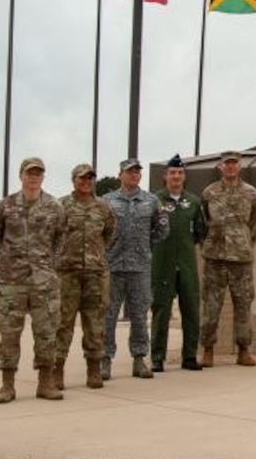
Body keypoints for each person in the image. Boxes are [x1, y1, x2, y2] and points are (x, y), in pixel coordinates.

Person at [0, 156, 66, 403]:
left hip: (44, 282)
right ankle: (7, 385)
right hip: (12, 281)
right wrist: (6, 261)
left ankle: (45, 383)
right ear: (21, 176)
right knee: (9, 333)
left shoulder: (54, 207)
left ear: (43, 177)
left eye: (38, 173)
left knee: (46, 332)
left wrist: (48, 264)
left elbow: (60, 238)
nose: (33, 178)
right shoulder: (5, 206)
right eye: (29, 173)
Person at [101, 158, 167, 381]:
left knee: (139, 316)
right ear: (120, 175)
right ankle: (104, 360)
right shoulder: (107, 201)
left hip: (140, 267)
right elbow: (98, 231)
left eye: (137, 172)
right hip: (112, 267)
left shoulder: (151, 201)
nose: (134, 175)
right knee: (107, 316)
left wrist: (144, 245)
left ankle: (139, 360)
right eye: (129, 172)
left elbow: (161, 230)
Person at [55, 162, 116, 391]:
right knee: (63, 323)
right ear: (74, 180)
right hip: (67, 273)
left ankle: (93, 369)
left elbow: (109, 234)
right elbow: (53, 235)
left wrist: (95, 255)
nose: (86, 182)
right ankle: (57, 369)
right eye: (82, 178)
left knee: (95, 324)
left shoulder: (103, 207)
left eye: (90, 178)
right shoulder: (61, 206)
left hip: (95, 274)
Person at [201, 150, 256, 367]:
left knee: (243, 305)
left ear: (239, 166)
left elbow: (254, 224)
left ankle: (243, 350)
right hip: (214, 259)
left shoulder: (251, 193)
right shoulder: (209, 193)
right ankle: (208, 350)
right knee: (211, 306)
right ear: (220, 167)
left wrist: (244, 244)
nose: (230, 167)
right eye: (226, 163)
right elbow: (204, 222)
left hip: (241, 260)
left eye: (233, 163)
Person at [151, 155, 206, 372]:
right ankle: (157, 357)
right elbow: (148, 231)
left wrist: (184, 248)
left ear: (185, 177)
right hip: (161, 262)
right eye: (172, 173)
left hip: (186, 263)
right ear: (165, 176)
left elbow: (200, 231)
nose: (176, 177)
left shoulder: (193, 201)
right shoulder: (154, 200)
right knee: (161, 309)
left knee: (191, 309)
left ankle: (190, 356)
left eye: (180, 173)